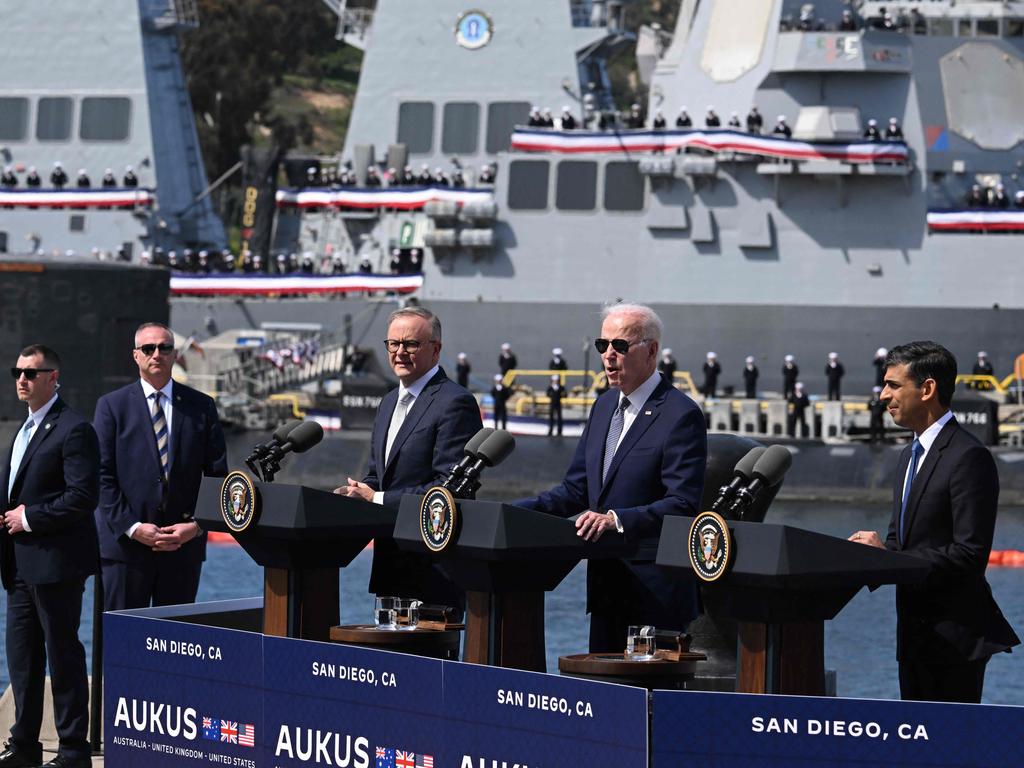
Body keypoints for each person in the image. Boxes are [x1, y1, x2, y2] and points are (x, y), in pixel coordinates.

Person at [513, 303, 707, 651]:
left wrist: (616, 520)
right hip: (606, 587)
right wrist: (514, 513)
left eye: (620, 346)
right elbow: (577, 489)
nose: (609, 356)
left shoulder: (681, 415)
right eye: (603, 346)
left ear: (651, 351)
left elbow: (683, 503)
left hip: (655, 595)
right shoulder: (604, 407)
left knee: (645, 702)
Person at [848, 341, 1019, 702]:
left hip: (953, 644)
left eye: (894, 385)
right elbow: (900, 544)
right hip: (913, 639)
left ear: (927, 390)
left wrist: (891, 558)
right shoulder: (908, 457)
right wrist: (865, 557)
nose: (883, 396)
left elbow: (969, 555)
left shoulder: (968, 456)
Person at [336, 307, 482, 609]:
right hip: (390, 570)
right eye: (393, 344)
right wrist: (356, 494)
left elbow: (449, 489)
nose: (400, 352)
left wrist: (376, 499)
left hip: (434, 571)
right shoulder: (389, 402)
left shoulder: (455, 403)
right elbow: (379, 474)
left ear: (436, 349)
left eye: (411, 344)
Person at [1, 344, 99, 768]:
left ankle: (73, 749)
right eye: (17, 372)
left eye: (31, 373)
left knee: (62, 655)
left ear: (53, 377)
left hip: (56, 564)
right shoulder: (21, 432)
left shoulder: (73, 429)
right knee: (21, 658)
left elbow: (83, 497)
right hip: (19, 566)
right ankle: (25, 746)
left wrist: (32, 518)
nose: (22, 379)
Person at [92, 323, 227, 611]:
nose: (157, 354)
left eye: (164, 348)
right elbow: (101, 476)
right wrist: (133, 527)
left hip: (183, 548)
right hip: (125, 549)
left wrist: (197, 526)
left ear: (174, 354)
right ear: (136, 355)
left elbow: (217, 476)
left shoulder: (200, 406)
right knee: (123, 646)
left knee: (176, 642)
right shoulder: (111, 407)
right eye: (148, 348)